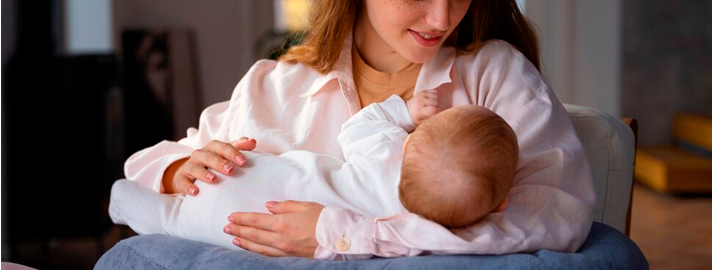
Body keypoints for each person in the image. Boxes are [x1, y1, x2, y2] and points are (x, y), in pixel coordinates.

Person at [124, 0, 596, 259]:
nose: (440, 18)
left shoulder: (496, 77)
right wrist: (175, 172)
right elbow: (151, 166)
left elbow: (555, 215)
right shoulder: (277, 86)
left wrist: (347, 235)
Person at [110, 91, 518, 251]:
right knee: (172, 217)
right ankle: (153, 209)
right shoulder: (423, 231)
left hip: (247, 176)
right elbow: (148, 161)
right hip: (229, 223)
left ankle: (130, 203)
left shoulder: (387, 149)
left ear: (412, 140)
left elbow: (358, 127)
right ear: (500, 203)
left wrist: (403, 112)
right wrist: (176, 168)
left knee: (166, 214)